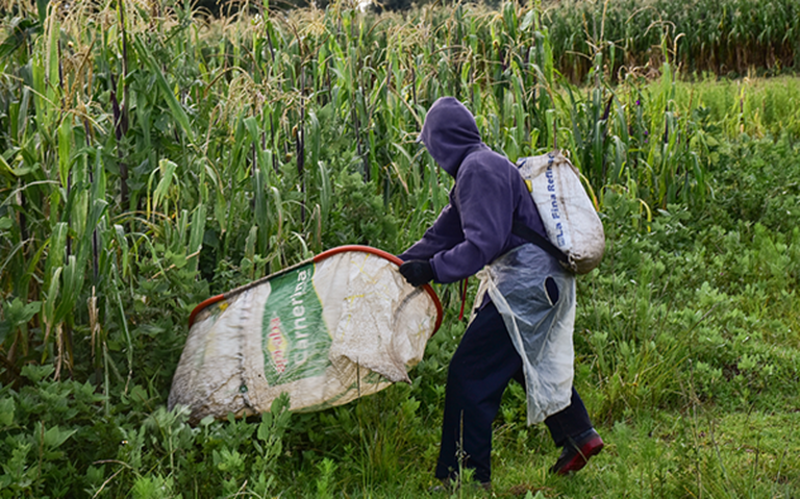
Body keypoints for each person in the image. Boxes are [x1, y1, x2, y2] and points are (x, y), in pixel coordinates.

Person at [397, 97, 603, 489]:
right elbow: (442, 235)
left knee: (469, 373)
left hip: (526, 285)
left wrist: (433, 271)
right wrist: (393, 265)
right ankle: (579, 435)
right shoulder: (477, 169)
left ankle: (466, 478)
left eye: (432, 145)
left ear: (443, 142)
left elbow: (483, 244)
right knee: (524, 360)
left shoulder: (478, 169)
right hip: (536, 283)